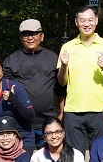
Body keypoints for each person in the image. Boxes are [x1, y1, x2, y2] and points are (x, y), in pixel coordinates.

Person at [58, 6, 103, 153]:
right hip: (73, 110)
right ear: (76, 22)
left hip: (100, 110)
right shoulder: (67, 47)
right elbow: (61, 81)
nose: (87, 24)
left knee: (100, 155)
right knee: (74, 157)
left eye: (90, 20)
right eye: (82, 20)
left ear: (96, 21)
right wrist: (64, 66)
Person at [4, 19, 63, 148]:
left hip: (48, 122)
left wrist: (62, 112)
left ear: (41, 36)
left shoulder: (53, 58)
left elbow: (60, 88)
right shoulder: (12, 60)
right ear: (21, 38)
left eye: (34, 34)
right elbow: (7, 92)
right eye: (26, 34)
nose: (30, 38)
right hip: (22, 124)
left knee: (52, 161)